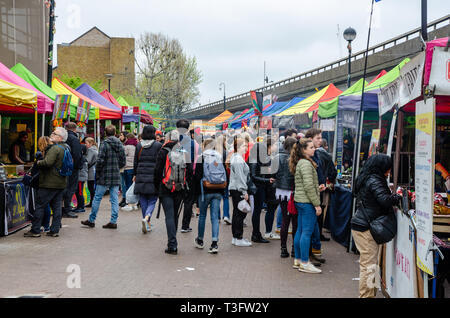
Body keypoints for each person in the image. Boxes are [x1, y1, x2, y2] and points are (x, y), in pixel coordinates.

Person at [351, 154, 401, 298]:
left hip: (362, 225)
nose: (389, 172)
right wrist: (397, 196)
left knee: (370, 265)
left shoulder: (367, 177)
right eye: (388, 169)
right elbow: (385, 200)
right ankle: (366, 296)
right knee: (369, 266)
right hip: (365, 228)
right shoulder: (375, 179)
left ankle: (369, 295)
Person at [24, 127, 68, 237]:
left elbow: (48, 163)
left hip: (49, 182)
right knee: (57, 207)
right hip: (60, 182)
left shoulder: (55, 148)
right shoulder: (66, 148)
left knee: (40, 206)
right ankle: (54, 230)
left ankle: (35, 230)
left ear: (60, 137)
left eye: (54, 133)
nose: (51, 134)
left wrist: (38, 162)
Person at [154, 130, 193, 255]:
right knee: (175, 214)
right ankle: (173, 241)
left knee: (169, 216)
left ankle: (172, 244)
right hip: (179, 188)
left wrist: (157, 186)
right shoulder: (184, 152)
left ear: (167, 139)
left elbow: (157, 171)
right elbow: (190, 171)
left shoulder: (163, 151)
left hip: (166, 187)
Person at [81, 125, 126, 229]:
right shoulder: (120, 144)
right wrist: (116, 167)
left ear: (105, 133)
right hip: (115, 174)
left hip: (104, 175)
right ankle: (113, 221)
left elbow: (100, 160)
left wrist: (99, 172)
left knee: (97, 198)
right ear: (115, 133)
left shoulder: (104, 144)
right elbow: (123, 160)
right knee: (114, 199)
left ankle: (92, 220)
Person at [290, 138, 322, 274]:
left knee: (300, 231)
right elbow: (309, 185)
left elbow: (306, 184)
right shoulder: (306, 164)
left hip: (301, 201)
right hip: (307, 202)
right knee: (306, 233)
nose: (314, 149)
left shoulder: (301, 163)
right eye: (311, 147)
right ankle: (304, 262)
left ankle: (298, 260)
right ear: (303, 150)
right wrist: (317, 204)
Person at [193, 138, 227, 254]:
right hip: (218, 190)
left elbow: (197, 176)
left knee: (202, 215)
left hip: (204, 190)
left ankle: (200, 240)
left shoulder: (201, 158)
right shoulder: (219, 157)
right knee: (214, 217)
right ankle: (214, 243)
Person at [249, 136, 279, 243]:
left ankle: (256, 234)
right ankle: (256, 234)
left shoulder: (258, 159)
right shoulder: (254, 160)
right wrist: (267, 180)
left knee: (257, 211)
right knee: (256, 211)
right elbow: (253, 176)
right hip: (257, 188)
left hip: (260, 187)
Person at [134, 125, 162, 233]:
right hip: (153, 175)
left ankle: (147, 220)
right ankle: (147, 217)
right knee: (153, 199)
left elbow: (135, 162)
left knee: (143, 198)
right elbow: (159, 162)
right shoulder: (158, 145)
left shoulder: (138, 145)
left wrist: (135, 174)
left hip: (140, 174)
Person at [275, 137, 297, 258]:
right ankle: (293, 248)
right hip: (292, 191)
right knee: (295, 221)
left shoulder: (277, 157)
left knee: (285, 220)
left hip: (280, 191)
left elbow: (272, 173)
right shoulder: (294, 158)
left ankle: (283, 249)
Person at [176, 119, 200, 233]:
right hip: (189, 175)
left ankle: (173, 223)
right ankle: (185, 225)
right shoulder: (193, 143)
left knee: (175, 200)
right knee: (188, 201)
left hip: (174, 175)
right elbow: (195, 160)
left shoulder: (172, 140)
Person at [229, 136, 252, 247]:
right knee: (240, 213)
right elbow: (240, 177)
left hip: (235, 188)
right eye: (244, 146)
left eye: (246, 146)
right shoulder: (238, 159)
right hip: (238, 189)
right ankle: (238, 237)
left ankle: (236, 237)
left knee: (237, 213)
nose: (246, 148)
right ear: (238, 147)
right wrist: (244, 191)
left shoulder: (236, 157)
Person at [62, 122, 82, 218]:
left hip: (64, 167)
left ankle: (64, 208)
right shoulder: (74, 138)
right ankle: (67, 209)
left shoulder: (64, 138)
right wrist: (77, 166)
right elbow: (77, 154)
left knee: (65, 187)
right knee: (70, 188)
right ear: (75, 129)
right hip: (72, 167)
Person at [36, 136, 52, 232]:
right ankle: (46, 225)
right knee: (47, 204)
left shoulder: (40, 155)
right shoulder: (50, 153)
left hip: (43, 181)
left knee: (43, 204)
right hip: (49, 181)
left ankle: (44, 225)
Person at [121, 133, 138, 211]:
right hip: (133, 168)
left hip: (127, 168)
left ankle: (128, 203)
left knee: (127, 186)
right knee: (132, 186)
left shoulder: (126, 147)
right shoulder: (136, 146)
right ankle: (135, 203)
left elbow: (122, 156)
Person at [73, 144, 88, 213]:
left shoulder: (82, 159)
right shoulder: (83, 158)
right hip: (81, 177)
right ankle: (79, 206)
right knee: (78, 192)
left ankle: (81, 207)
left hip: (80, 178)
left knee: (79, 192)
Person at [85, 137, 98, 208]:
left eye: (86, 143)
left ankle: (92, 202)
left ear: (90, 143)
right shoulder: (95, 149)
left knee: (91, 188)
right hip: (94, 170)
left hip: (90, 172)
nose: (85, 145)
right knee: (92, 187)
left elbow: (88, 160)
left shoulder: (90, 150)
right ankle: (93, 202)